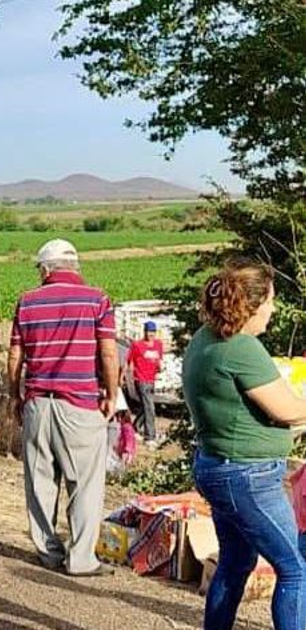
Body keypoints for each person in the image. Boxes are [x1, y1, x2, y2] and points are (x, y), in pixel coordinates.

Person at [184, 259, 306, 630]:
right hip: (247, 475)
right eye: (269, 301)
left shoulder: (206, 338)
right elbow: (287, 410)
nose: (273, 309)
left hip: (219, 466)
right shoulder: (241, 348)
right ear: (251, 305)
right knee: (295, 569)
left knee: (236, 564)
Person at [7, 238, 117, 577]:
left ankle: (48, 552)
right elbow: (109, 353)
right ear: (75, 267)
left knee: (40, 481)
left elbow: (14, 356)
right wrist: (111, 394)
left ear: (44, 269)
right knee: (84, 484)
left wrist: (15, 395)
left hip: (39, 403)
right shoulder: (97, 300)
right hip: (81, 403)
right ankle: (81, 559)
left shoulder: (27, 302)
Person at [128, 321, 164, 447]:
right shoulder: (138, 345)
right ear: (145, 332)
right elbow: (130, 361)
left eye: (153, 332)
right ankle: (150, 437)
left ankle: (134, 428)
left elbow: (159, 360)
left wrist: (160, 366)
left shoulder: (159, 345)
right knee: (150, 408)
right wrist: (127, 377)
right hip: (141, 379)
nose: (151, 334)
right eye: (149, 332)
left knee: (145, 407)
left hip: (152, 379)